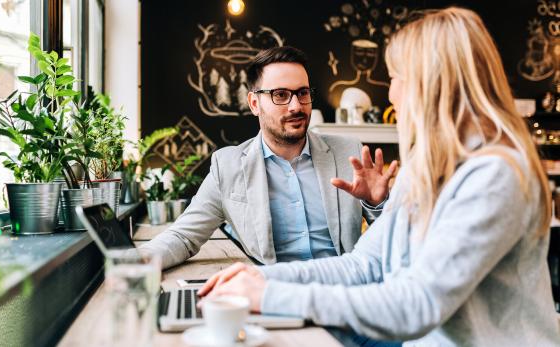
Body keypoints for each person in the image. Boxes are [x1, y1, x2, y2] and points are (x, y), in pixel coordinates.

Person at [198, 7, 560, 347]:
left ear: (432, 84)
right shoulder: (424, 168)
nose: (391, 93)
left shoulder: (495, 175)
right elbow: (365, 265)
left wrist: (269, 295)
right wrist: (258, 279)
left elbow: (416, 304)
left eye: (396, 78)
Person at [141, 46, 397, 269]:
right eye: (281, 95)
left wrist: (378, 205)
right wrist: (129, 262)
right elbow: (184, 236)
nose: (296, 106)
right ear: (254, 103)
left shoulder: (348, 153)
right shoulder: (228, 166)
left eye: (303, 93)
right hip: (274, 296)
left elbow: (393, 241)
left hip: (343, 291)